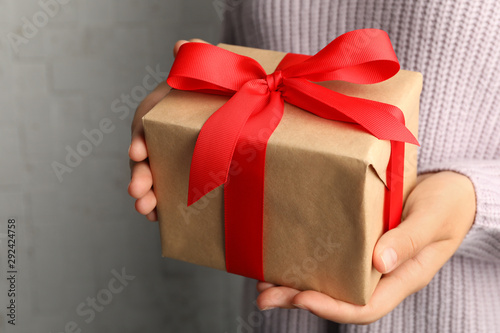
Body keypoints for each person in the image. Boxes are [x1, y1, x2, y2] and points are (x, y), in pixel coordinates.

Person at [129, 1, 500, 332]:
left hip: (456, 313)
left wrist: (474, 198)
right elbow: (246, 59)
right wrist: (183, 106)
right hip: (276, 313)